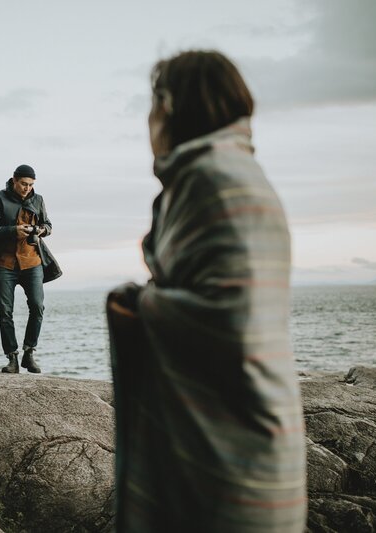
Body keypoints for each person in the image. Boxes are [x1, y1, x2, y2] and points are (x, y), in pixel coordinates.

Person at [107, 50, 307, 532]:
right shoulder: (231, 171)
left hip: (230, 461)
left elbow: (233, 317)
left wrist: (139, 305)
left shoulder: (211, 178)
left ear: (170, 108)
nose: (148, 123)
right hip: (249, 438)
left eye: (152, 108)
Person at [0, 164, 62, 374]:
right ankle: (12, 358)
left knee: (38, 307)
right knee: (5, 312)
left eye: (31, 185)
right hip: (4, 263)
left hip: (33, 261)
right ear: (14, 180)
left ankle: (29, 353)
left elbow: (48, 224)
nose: (27, 188)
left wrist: (41, 230)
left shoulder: (38, 199)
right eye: (24, 184)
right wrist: (14, 230)